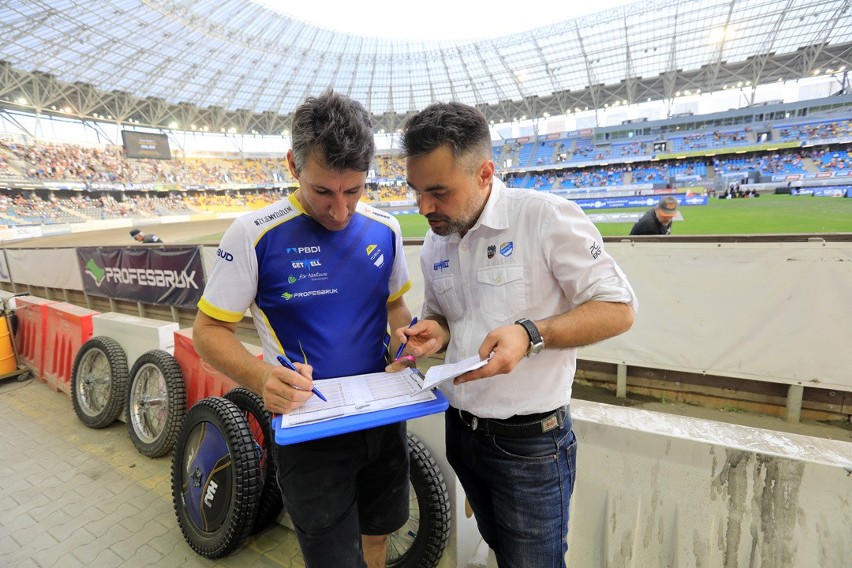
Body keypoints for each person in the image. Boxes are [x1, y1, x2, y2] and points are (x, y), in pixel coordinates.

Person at [391, 101, 638, 567]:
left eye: (438, 191)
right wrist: (435, 333)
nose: (424, 207)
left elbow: (620, 309)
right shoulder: (436, 240)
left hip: (530, 445)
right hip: (460, 432)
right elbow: (445, 315)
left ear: (485, 173)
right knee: (503, 553)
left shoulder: (544, 217)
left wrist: (531, 334)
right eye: (415, 190)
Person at [193, 89, 414, 568]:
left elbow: (396, 308)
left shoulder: (386, 229)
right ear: (293, 165)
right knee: (332, 558)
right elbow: (207, 331)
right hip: (308, 432)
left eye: (353, 190)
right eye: (323, 192)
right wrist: (259, 379)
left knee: (378, 534)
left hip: (382, 418)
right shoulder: (253, 234)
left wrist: (406, 337)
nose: (340, 210)